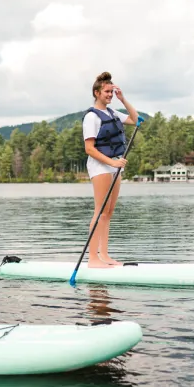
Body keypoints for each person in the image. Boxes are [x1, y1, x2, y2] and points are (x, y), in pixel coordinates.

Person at [81, 71, 141, 268]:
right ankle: (92, 259)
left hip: (115, 166)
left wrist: (123, 99)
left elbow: (135, 120)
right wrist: (112, 163)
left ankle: (104, 255)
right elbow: (89, 149)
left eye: (112, 91)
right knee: (99, 211)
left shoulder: (113, 113)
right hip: (100, 166)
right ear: (97, 92)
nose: (110, 95)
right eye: (107, 91)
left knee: (109, 212)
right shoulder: (91, 117)